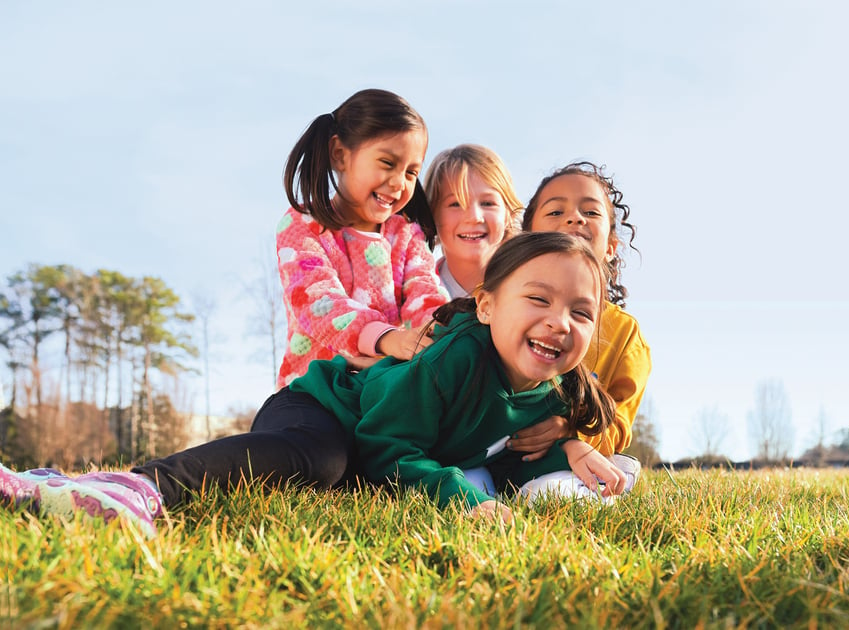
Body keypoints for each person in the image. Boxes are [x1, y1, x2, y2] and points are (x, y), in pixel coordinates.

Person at [0, 232, 627, 533]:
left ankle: (57, 480)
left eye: (580, 311)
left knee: (337, 474)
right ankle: (140, 487)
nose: (558, 322)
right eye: (537, 298)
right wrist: (470, 502)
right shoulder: (454, 359)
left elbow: (504, 455)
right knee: (321, 461)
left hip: (366, 443)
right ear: (487, 305)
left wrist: (566, 465)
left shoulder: (550, 396)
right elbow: (385, 452)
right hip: (320, 408)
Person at [276, 88, 448, 388]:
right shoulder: (303, 226)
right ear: (340, 155)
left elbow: (425, 293)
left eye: (411, 172)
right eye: (387, 163)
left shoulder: (406, 235)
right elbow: (319, 303)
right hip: (314, 391)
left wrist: (445, 329)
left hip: (381, 388)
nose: (398, 183)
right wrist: (385, 338)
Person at [506, 161, 651, 491]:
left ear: (612, 247)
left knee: (559, 490)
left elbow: (618, 423)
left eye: (591, 212)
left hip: (570, 458)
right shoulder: (500, 305)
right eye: (556, 212)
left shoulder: (625, 336)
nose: (574, 218)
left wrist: (568, 429)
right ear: (526, 238)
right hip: (495, 446)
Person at [422, 144, 522, 297]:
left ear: (508, 213)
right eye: (456, 204)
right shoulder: (413, 297)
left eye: (487, 203)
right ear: (432, 215)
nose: (474, 217)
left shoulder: (532, 288)